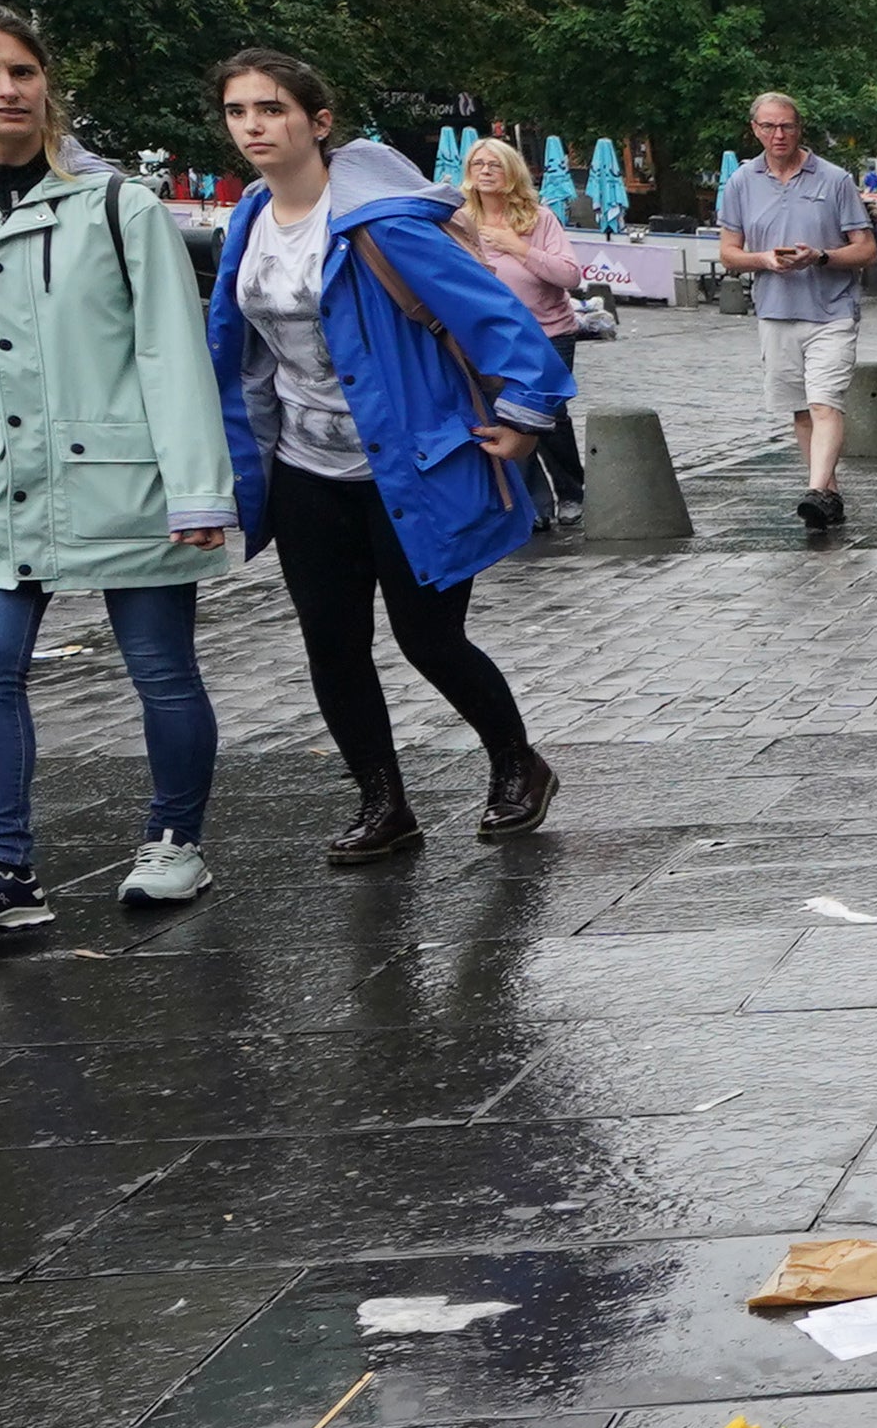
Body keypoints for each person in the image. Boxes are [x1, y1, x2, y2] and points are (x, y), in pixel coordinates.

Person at [0, 0, 231, 934]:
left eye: (22, 71)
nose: (6, 90)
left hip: (126, 479)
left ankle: (174, 843)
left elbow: (171, 352)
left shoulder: (120, 204)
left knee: (160, 668)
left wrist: (199, 490)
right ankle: (2, 870)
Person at [204, 48, 568, 858]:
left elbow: (494, 315)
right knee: (331, 644)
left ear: (318, 121)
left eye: (273, 109)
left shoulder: (384, 222)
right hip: (304, 467)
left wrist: (529, 411)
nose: (255, 126)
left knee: (428, 638)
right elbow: (241, 352)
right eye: (238, 112)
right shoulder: (249, 221)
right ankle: (383, 804)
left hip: (411, 463)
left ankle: (518, 763)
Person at [717, 90, 874, 535]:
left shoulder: (834, 178)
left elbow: (866, 249)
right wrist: (764, 260)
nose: (778, 134)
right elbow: (729, 252)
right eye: (768, 126)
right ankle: (828, 494)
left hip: (832, 309)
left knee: (825, 403)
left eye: (786, 125)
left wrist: (820, 257)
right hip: (775, 309)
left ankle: (814, 490)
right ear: (755, 130)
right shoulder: (741, 183)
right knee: (802, 412)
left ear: (799, 128)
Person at [449, 138, 598, 517]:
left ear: (511, 171)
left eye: (494, 165)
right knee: (509, 415)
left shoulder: (538, 217)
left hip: (548, 331)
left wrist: (516, 246)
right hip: (490, 335)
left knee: (548, 412)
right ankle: (534, 505)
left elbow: (569, 275)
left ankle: (572, 491)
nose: (485, 171)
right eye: (478, 164)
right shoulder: (458, 220)